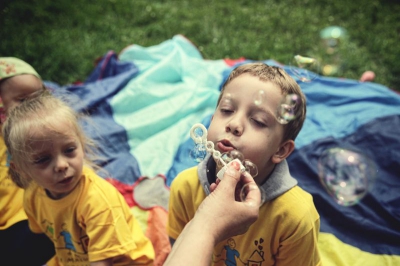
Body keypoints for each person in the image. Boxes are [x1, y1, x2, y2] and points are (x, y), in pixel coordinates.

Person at [167, 62, 321, 266]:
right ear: (212, 119)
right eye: (227, 110)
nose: (234, 124)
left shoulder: (296, 215)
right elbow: (179, 251)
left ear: (280, 150)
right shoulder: (184, 187)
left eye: (258, 121)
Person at [2, 92, 155, 265]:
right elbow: (46, 239)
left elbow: (104, 262)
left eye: (69, 150)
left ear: (81, 145)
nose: (61, 165)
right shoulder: (33, 195)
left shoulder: (97, 200)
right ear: (21, 169)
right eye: (43, 159)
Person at [0, 57, 55, 265]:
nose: (33, 107)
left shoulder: (44, 134)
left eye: (39, 99)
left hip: (35, 223)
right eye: (22, 100)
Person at [164, 161, 261, 266]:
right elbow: (175, 241)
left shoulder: (281, 209)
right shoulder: (183, 185)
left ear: (280, 151)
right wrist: (208, 223)